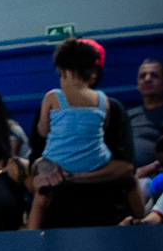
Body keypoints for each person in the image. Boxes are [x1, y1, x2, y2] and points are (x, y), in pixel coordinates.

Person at [29, 39, 143, 229]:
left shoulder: (52, 99)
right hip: (90, 170)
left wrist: (70, 175)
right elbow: (35, 160)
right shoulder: (104, 102)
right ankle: (143, 221)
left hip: (101, 205)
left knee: (41, 198)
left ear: (63, 71)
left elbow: (125, 168)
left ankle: (31, 238)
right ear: (91, 72)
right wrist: (45, 168)